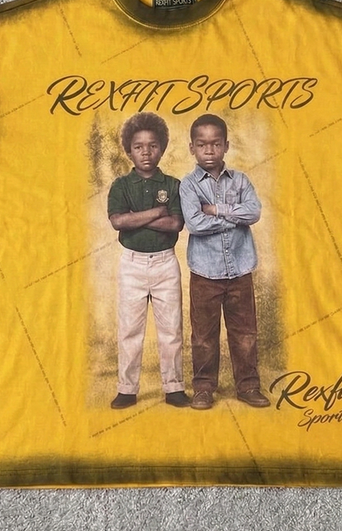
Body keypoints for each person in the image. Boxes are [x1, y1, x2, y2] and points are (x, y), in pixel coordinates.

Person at [179, 114, 270, 410]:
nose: (209, 150)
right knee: (204, 337)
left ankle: (248, 386)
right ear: (192, 147)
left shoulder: (241, 180)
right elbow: (194, 223)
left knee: (245, 334)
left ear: (226, 146)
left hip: (240, 271)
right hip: (204, 274)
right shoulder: (188, 185)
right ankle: (204, 388)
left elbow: (254, 212)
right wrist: (234, 217)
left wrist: (216, 209)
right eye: (202, 144)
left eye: (216, 144)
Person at [107, 113, 190, 409]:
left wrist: (136, 218)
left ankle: (174, 388)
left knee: (171, 329)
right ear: (128, 151)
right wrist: (157, 212)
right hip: (132, 265)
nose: (146, 152)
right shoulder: (120, 186)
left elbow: (176, 224)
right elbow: (118, 222)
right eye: (138, 146)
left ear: (162, 148)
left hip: (166, 264)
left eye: (152, 146)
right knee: (130, 329)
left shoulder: (173, 184)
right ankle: (127, 389)